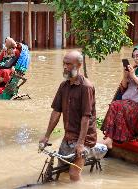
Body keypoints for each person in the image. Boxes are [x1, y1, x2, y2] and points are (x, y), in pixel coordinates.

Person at [39, 50, 97, 182]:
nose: (65, 67)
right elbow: (56, 112)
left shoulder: (86, 87)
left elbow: (86, 117)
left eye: (69, 64)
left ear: (79, 66)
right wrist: (46, 136)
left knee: (73, 174)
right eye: (64, 63)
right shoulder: (63, 86)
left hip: (85, 138)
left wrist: (81, 143)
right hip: (69, 135)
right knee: (61, 170)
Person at [101, 44, 138, 149]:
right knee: (115, 104)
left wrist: (133, 77)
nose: (135, 59)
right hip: (132, 102)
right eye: (134, 56)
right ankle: (109, 138)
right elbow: (123, 90)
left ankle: (111, 138)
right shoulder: (135, 68)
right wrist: (125, 76)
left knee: (119, 106)